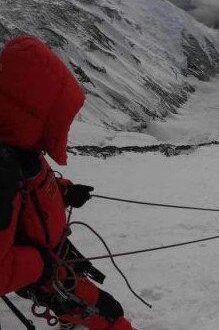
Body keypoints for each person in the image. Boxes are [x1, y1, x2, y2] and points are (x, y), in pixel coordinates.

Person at [0, 36, 133, 330]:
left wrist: (64, 191)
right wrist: (40, 264)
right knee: (109, 314)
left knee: (99, 306)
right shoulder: (4, 168)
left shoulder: (15, 147)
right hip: (45, 271)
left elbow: (29, 191)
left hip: (53, 257)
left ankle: (71, 322)